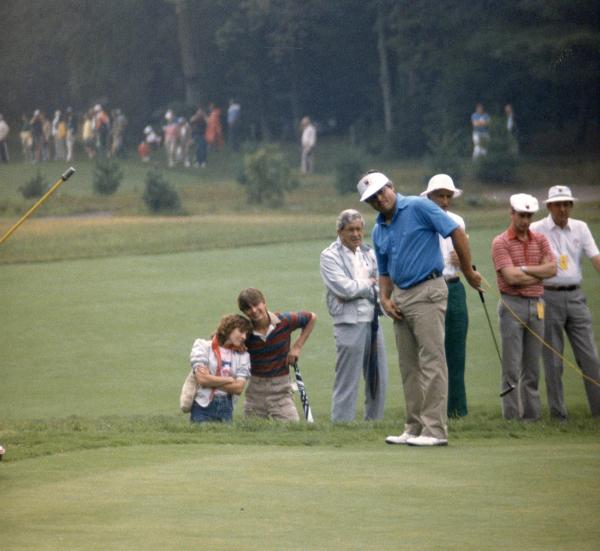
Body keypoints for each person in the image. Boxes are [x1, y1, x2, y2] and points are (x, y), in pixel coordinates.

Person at [358, 171, 481, 446]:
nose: (379, 199)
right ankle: (413, 427)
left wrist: (470, 272)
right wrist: (385, 299)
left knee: (432, 361)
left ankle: (435, 430)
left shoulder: (418, 206)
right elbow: (385, 270)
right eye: (372, 198)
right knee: (409, 366)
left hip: (428, 289)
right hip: (400, 297)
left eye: (382, 191)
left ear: (392, 186)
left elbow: (456, 233)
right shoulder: (379, 229)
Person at [530, 186, 600, 420]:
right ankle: (559, 415)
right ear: (549, 206)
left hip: (576, 295)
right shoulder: (536, 229)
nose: (563, 209)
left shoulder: (580, 227)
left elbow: (595, 257)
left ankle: (598, 411)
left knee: (589, 356)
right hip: (548, 295)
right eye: (558, 204)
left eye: (567, 204)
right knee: (552, 358)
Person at [492, 194, 556, 421]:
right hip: (512, 304)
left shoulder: (540, 240)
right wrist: (536, 272)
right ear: (512, 213)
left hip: (537, 304)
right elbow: (511, 277)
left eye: (529, 216)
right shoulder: (501, 242)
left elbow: (552, 270)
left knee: (532, 366)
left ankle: (531, 417)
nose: (526, 221)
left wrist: (525, 270)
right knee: (511, 366)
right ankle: (511, 416)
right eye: (521, 215)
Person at [320, 209, 388, 422]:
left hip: (373, 320)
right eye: (351, 230)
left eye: (359, 229)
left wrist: (364, 288)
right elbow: (343, 288)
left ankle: (374, 422)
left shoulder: (368, 253)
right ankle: (342, 424)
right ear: (340, 231)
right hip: (348, 323)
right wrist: (369, 285)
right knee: (347, 380)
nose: (356, 234)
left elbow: (381, 285)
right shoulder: (329, 255)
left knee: (379, 377)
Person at [421, 174, 469, 417]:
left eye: (448, 196)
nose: (445, 200)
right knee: (431, 354)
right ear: (429, 196)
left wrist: (463, 260)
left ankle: (457, 410)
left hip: (455, 285)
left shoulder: (457, 221)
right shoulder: (421, 221)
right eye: (440, 195)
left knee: (456, 352)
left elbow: (465, 258)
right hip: (429, 287)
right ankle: (432, 411)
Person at [237, 288, 317, 421]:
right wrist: (237, 346)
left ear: (264, 302)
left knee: (292, 431)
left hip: (281, 391)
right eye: (248, 309)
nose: (254, 311)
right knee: (252, 433)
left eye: (256, 305)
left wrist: (297, 347)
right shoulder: (244, 332)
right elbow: (222, 336)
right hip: (255, 391)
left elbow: (311, 317)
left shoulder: (285, 320)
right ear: (244, 312)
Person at [189, 314, 252, 423]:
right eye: (241, 331)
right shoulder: (203, 346)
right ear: (229, 328)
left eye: (246, 334)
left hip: (226, 408)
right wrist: (229, 379)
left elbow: (238, 388)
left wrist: (210, 379)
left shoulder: (243, 355)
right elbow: (202, 380)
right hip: (202, 407)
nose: (244, 337)